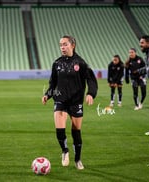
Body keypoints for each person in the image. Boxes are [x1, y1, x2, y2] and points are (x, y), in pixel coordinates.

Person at [42, 35, 98, 170]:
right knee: (59, 129)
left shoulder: (81, 63)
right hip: (60, 99)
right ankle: (65, 151)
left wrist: (91, 93)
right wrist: (47, 95)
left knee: (76, 131)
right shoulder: (57, 63)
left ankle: (78, 159)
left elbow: (91, 80)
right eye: (60, 44)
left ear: (72, 45)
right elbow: (53, 83)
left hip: (76, 101)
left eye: (65, 44)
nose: (62, 47)